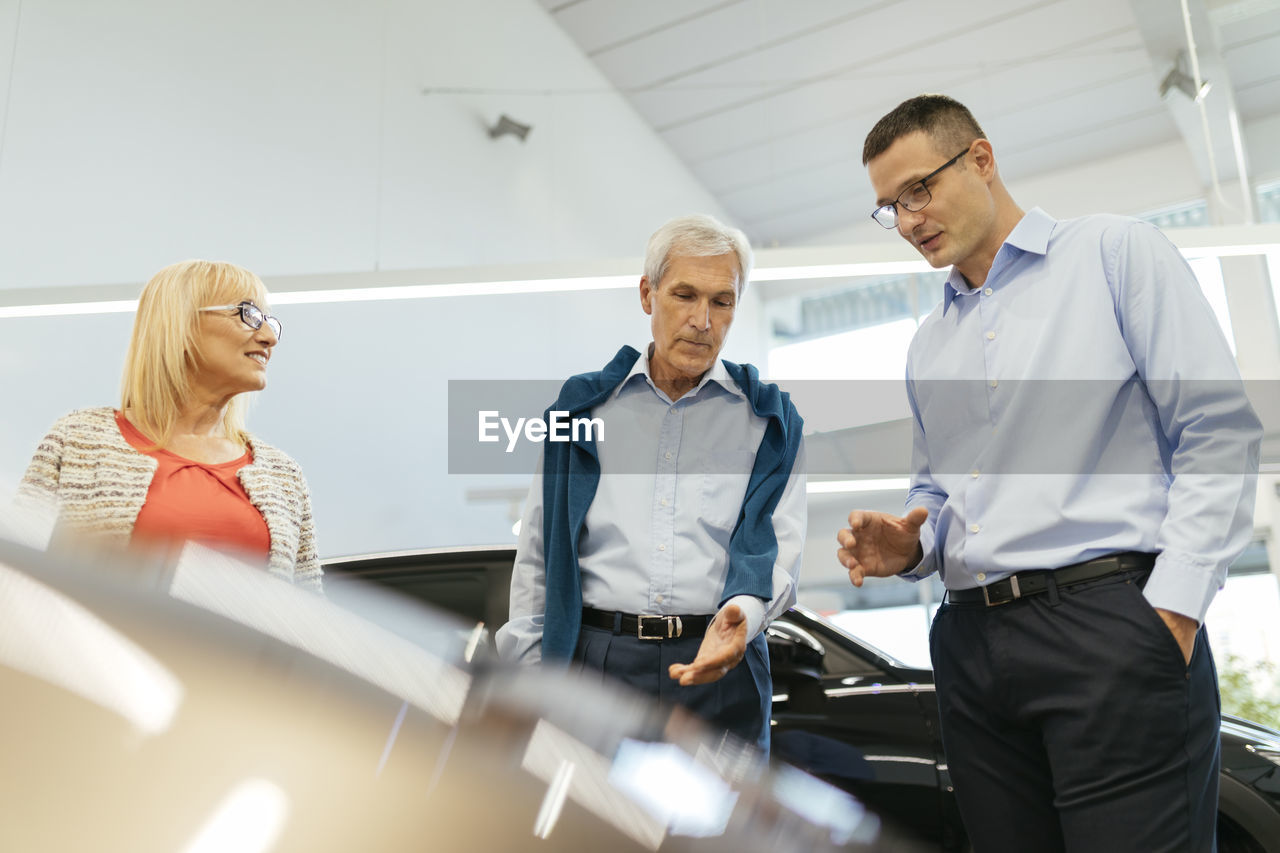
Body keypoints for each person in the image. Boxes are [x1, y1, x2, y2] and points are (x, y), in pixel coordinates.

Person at [837, 94, 1261, 852]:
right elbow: (938, 491)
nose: (907, 220)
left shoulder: (1115, 255)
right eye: (889, 208)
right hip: (971, 647)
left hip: (1111, 626)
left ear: (981, 159)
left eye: (918, 190)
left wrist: (1172, 613)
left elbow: (1217, 432)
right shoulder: (928, 344)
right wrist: (908, 542)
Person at [495, 214, 806, 748]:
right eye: (684, 295)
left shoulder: (770, 422)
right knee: (593, 830)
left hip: (720, 664)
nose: (702, 320)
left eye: (722, 301)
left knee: (718, 831)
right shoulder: (581, 409)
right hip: (598, 663)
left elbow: (781, 549)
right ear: (648, 293)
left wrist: (743, 616)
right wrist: (529, 676)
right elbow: (540, 555)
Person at [16, 259, 323, 592]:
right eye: (247, 314)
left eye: (268, 321)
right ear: (181, 325)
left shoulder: (283, 475)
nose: (268, 337)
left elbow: (309, 609)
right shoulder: (79, 441)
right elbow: (15, 576)